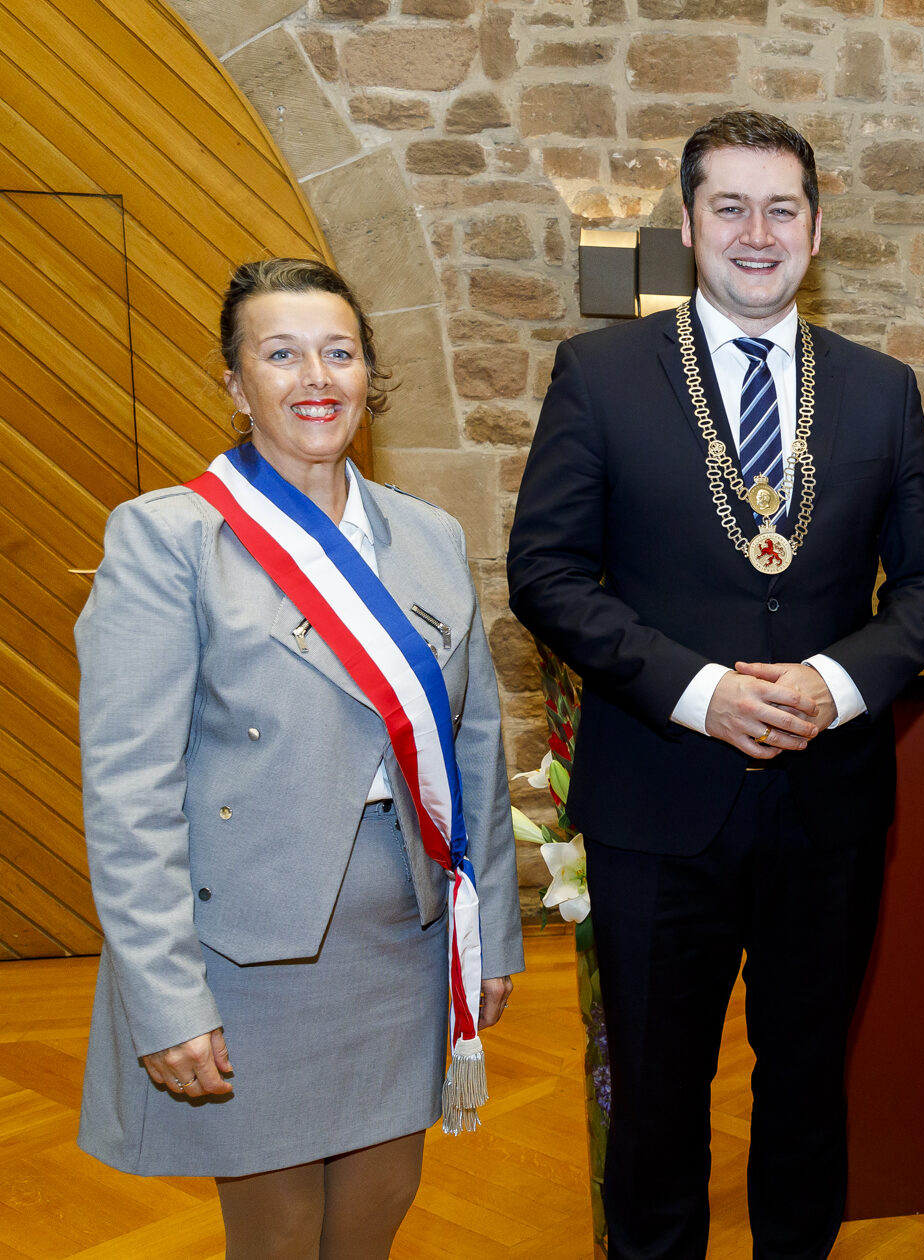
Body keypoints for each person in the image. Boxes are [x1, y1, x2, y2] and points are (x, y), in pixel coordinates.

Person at [507, 110, 924, 1259]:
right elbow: (546, 575)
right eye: (731, 207)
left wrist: (832, 680)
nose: (757, 233)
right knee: (659, 1100)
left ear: (817, 229)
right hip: (658, 804)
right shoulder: (602, 375)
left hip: (830, 808)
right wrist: (698, 690)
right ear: (687, 223)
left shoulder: (880, 389)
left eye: (782, 209)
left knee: (809, 1088)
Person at [74, 257, 523, 1258]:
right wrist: (166, 992)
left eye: (339, 352)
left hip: (401, 938)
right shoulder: (168, 541)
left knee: (377, 1214)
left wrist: (487, 927)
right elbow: (128, 794)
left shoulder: (428, 536)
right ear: (238, 386)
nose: (315, 377)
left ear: (367, 375)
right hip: (246, 953)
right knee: (277, 1239)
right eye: (280, 355)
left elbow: (475, 751)